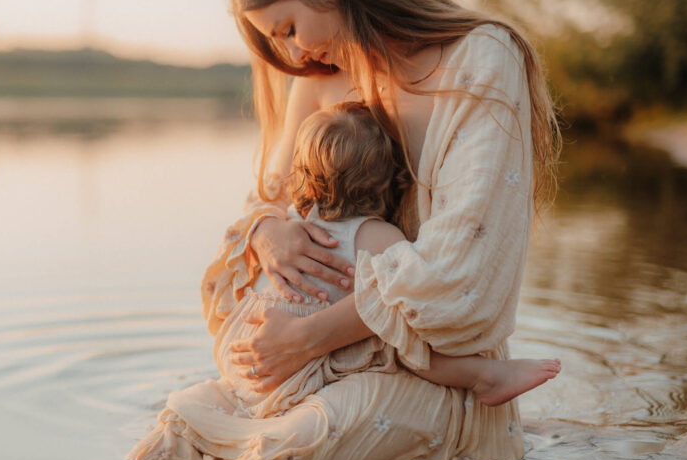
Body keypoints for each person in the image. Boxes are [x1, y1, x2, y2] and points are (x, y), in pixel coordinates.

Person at [127, 0, 563, 460]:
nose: (294, 53)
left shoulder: (480, 60)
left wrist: (307, 338)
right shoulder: (321, 81)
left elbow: (460, 269)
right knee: (170, 446)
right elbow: (269, 203)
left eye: (286, 28)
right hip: (305, 360)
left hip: (427, 365)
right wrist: (268, 234)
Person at [206, 101, 559, 421]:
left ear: (306, 181)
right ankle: (486, 377)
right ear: (392, 179)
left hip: (246, 352)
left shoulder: (292, 224)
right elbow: (415, 299)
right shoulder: (376, 236)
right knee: (402, 334)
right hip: (298, 366)